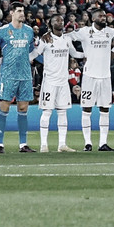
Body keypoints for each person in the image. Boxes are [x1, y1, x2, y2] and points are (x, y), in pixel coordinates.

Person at [70, 9, 114, 151]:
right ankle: (88, 143)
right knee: (87, 109)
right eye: (101, 16)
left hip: (105, 77)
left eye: (105, 16)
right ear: (93, 19)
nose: (104, 18)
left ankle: (103, 143)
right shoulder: (84, 32)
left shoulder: (110, 31)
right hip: (89, 76)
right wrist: (79, 54)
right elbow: (67, 37)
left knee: (105, 109)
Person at [33, 15, 80, 153]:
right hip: (50, 81)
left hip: (63, 81)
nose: (60, 22)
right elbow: (36, 53)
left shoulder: (67, 39)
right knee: (47, 112)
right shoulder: (45, 39)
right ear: (51, 24)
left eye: (61, 20)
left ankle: (62, 144)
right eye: (56, 20)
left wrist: (88, 54)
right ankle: (43, 145)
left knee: (62, 112)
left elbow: (74, 53)